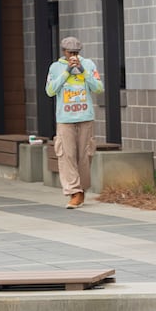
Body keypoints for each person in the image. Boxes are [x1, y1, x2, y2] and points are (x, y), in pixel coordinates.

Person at [44, 35, 105, 208]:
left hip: (85, 116)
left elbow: (99, 88)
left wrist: (83, 72)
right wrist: (66, 73)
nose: (74, 56)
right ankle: (74, 191)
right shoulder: (56, 68)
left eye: (76, 53)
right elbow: (50, 90)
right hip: (65, 118)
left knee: (85, 156)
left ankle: (82, 189)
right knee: (66, 155)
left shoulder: (88, 64)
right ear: (64, 51)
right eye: (71, 52)